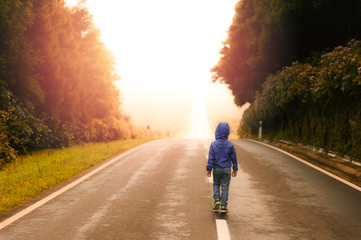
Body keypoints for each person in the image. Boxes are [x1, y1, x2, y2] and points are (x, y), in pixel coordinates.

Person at [206, 122, 238, 213]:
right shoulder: (230, 145)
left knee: (216, 184)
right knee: (225, 187)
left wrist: (208, 169)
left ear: (217, 132)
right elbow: (234, 158)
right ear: (227, 133)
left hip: (217, 169)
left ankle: (217, 200)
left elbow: (211, 158)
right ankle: (224, 206)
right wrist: (235, 169)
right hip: (227, 169)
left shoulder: (213, 144)